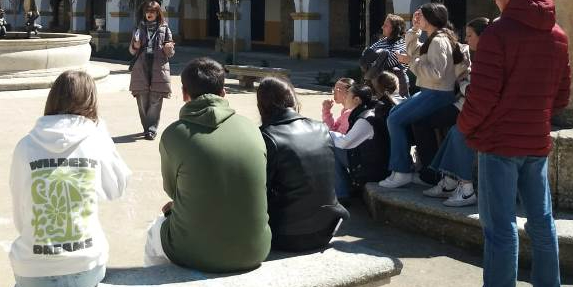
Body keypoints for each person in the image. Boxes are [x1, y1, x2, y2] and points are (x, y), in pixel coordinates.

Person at [445, 0, 570, 287]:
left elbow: (482, 96)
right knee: (543, 223)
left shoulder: (499, 34)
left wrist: (464, 126)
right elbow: (562, 95)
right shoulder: (558, 34)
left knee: (499, 227)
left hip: (500, 142)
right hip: (535, 139)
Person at [0, 70, 130, 287]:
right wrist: (102, 134)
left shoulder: (25, 146)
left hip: (34, 269)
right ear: (91, 103)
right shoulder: (94, 141)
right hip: (87, 267)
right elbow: (117, 189)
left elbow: (21, 216)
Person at [144, 57, 271, 272]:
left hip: (194, 252)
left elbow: (173, 191)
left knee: (153, 232)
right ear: (224, 92)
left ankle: (160, 285)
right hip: (255, 249)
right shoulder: (251, 129)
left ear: (184, 94)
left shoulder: (174, 134)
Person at [258, 77, 349, 252]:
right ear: (293, 99)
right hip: (327, 228)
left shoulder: (267, 136)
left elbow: (260, 191)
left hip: (287, 234)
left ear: (262, 106)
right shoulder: (321, 128)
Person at [380, 3, 464, 189]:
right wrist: (415, 29)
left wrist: (411, 62)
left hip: (437, 93)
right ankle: (416, 171)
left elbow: (435, 73)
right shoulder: (435, 38)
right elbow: (416, 51)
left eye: (422, 16)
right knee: (396, 115)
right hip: (432, 92)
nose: (419, 18)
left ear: (431, 18)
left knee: (395, 119)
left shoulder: (438, 41)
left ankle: (401, 170)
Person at [422, 17, 490, 206]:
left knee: (458, 133)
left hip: (483, 112)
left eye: (470, 35)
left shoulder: (488, 57)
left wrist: (464, 85)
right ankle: (451, 182)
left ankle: (466, 189)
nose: (467, 40)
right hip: (474, 108)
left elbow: (475, 89)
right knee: (453, 130)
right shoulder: (480, 55)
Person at [329, 84, 390, 200]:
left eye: (347, 95)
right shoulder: (369, 111)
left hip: (374, 169)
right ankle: (345, 189)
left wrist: (326, 133)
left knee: (330, 149)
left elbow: (345, 143)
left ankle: (342, 194)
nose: (345, 97)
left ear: (356, 100)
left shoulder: (366, 119)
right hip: (376, 164)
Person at [128, 1, 175, 140]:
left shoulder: (165, 28)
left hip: (159, 64)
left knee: (156, 98)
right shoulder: (139, 27)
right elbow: (131, 51)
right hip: (141, 64)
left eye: (153, 11)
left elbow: (171, 51)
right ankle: (146, 127)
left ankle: (151, 130)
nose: (149, 14)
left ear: (157, 13)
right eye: (147, 11)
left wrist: (169, 48)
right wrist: (135, 46)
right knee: (142, 97)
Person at [363, 14, 410, 96]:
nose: (382, 27)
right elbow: (366, 55)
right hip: (377, 84)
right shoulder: (382, 41)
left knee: (384, 53)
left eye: (386, 25)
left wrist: (376, 58)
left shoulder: (403, 43)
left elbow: (389, 61)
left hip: (396, 85)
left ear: (395, 29)